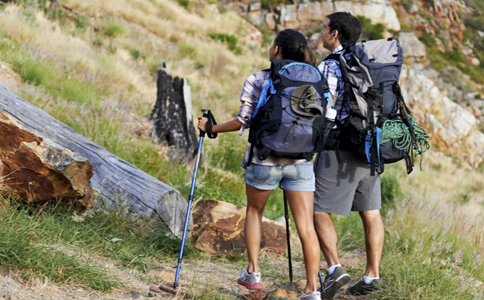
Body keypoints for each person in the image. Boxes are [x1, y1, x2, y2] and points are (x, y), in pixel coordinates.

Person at [198, 29, 322, 300]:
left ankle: (253, 274)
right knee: (306, 226)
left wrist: (212, 127)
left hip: (264, 159)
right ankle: (312, 289)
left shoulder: (258, 78)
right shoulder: (315, 81)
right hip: (301, 160)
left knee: (254, 212)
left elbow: (244, 120)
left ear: (277, 49)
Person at [313, 12, 386, 299]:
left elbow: (325, 108)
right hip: (370, 145)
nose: (321, 33)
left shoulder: (331, 66)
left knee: (316, 208)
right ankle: (372, 275)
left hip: (339, 145)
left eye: (324, 29)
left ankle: (334, 269)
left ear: (335, 35)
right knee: (371, 212)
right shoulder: (366, 62)